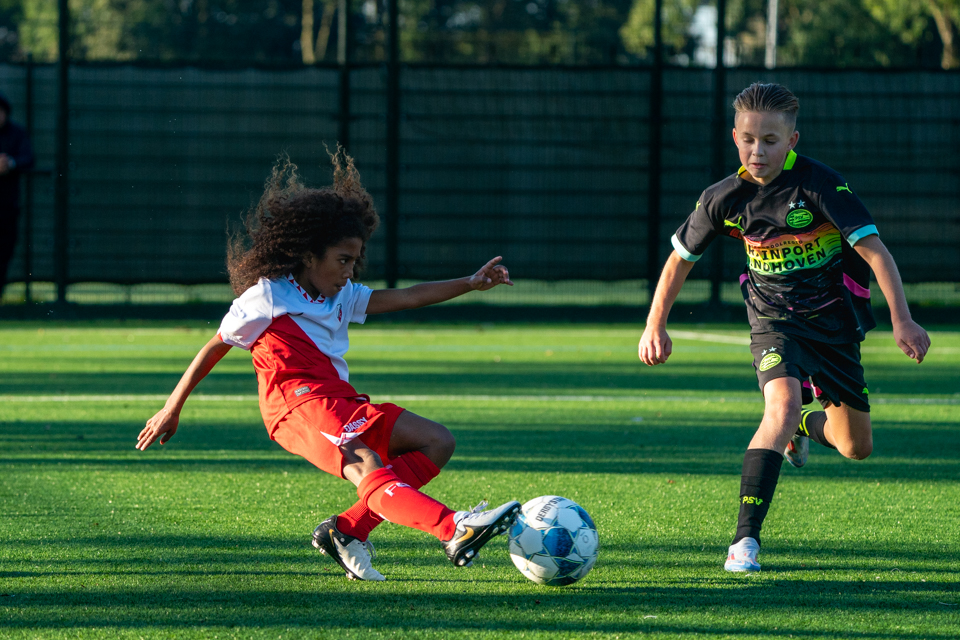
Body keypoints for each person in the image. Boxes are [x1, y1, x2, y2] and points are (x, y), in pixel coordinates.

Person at [137, 150, 521, 581]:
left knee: (437, 442)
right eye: (342, 259)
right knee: (367, 465)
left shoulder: (343, 295)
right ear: (307, 254)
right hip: (297, 407)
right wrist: (172, 408)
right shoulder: (266, 296)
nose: (350, 270)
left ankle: (347, 531)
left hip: (339, 400)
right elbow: (214, 346)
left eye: (355, 260)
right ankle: (454, 528)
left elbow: (408, 295)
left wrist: (470, 284)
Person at [638, 82, 930, 573]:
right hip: (773, 322)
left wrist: (902, 319)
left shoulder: (820, 186)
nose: (758, 151)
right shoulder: (723, 198)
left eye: (770, 140)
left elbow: (875, 251)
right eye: (749, 139)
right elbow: (678, 261)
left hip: (834, 324)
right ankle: (743, 543)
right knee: (782, 403)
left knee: (856, 448)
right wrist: (655, 324)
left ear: (792, 141)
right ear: (735, 137)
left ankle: (800, 428)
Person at [0, 91, 36, 296]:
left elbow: (28, 158)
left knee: (4, 252)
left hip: (7, 207)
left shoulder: (17, 133)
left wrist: (9, 164)